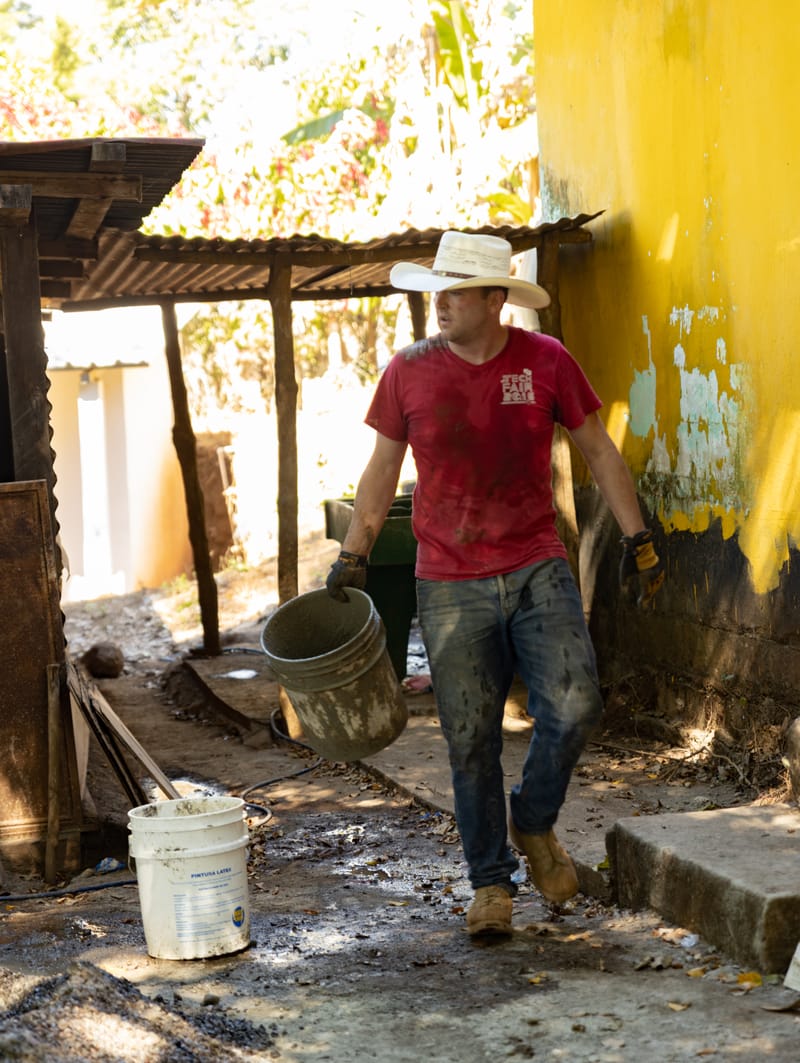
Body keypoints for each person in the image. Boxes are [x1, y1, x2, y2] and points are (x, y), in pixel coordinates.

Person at [325, 230, 664, 938]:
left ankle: (531, 820)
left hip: (537, 563)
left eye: (454, 292)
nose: (439, 303)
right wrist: (353, 554)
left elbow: (598, 449)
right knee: (469, 737)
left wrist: (639, 539)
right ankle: (490, 885)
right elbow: (383, 470)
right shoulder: (407, 371)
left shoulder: (545, 362)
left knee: (575, 706)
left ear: (494, 300)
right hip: (448, 580)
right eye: (436, 292)